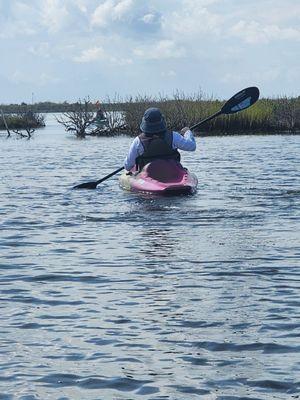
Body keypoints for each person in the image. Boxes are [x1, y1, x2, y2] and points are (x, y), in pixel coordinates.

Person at [124, 107, 196, 171]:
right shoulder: (173, 136)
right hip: (172, 172)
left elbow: (127, 166)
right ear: (162, 121)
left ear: (145, 123)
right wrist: (187, 132)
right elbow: (192, 146)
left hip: (148, 175)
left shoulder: (138, 141)